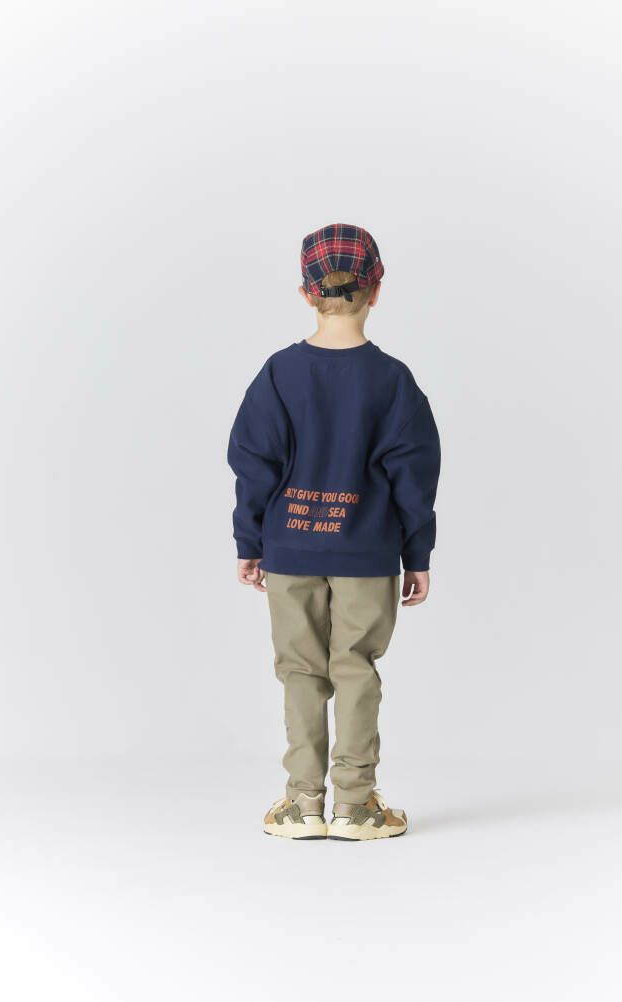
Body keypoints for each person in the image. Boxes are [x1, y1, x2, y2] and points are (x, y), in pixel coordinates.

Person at [227, 223, 441, 841]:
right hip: (367, 553)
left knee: (299, 669)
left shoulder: (278, 374)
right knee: (356, 668)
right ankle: (354, 805)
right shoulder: (393, 381)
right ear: (378, 288)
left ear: (305, 293)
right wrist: (417, 553)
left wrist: (250, 542)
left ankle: (302, 804)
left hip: (289, 548)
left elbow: (253, 463)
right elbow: (415, 476)